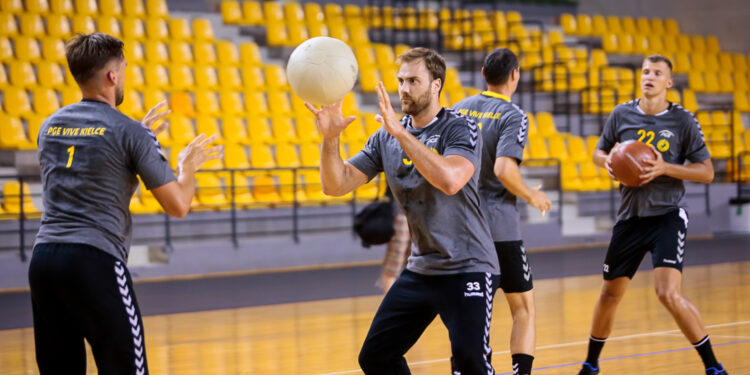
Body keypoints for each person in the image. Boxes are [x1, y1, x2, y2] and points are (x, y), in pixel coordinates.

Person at [29, 32, 222, 374]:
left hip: (44, 262)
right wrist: (186, 168)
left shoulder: (49, 126)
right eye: (124, 70)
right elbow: (178, 205)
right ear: (112, 76)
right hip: (95, 261)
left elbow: (96, 171)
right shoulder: (129, 132)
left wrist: (137, 138)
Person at [306, 47, 500, 375]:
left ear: (436, 85)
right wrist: (330, 139)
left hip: (468, 266)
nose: (404, 89)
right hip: (422, 269)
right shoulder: (386, 137)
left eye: (413, 80)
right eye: (400, 80)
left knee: (470, 362)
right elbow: (336, 184)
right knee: (376, 357)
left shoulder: (460, 128)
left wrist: (402, 133)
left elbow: (450, 180)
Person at [577, 55, 727, 375]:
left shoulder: (683, 121)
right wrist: (607, 162)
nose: (649, 77)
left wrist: (665, 168)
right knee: (609, 293)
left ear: (668, 83)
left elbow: (707, 172)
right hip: (631, 216)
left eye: (657, 73)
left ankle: (713, 367)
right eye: (646, 71)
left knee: (667, 293)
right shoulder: (621, 114)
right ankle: (591, 364)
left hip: (666, 216)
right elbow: (598, 151)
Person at [452, 48, 551, 375]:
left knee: (469, 314)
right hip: (499, 229)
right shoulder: (513, 116)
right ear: (514, 75)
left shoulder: (458, 110)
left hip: (461, 228)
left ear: (483, 73)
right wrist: (531, 197)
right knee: (523, 308)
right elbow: (505, 170)